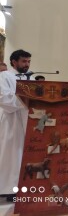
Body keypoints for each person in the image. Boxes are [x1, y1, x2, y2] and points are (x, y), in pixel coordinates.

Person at [0, 50, 32, 202]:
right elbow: (3, 98)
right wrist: (25, 100)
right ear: (14, 62)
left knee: (23, 155)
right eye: (24, 61)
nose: (27, 64)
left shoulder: (30, 78)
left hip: (28, 120)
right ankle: (8, 189)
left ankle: (21, 186)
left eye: (28, 62)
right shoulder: (4, 76)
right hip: (11, 120)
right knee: (11, 155)